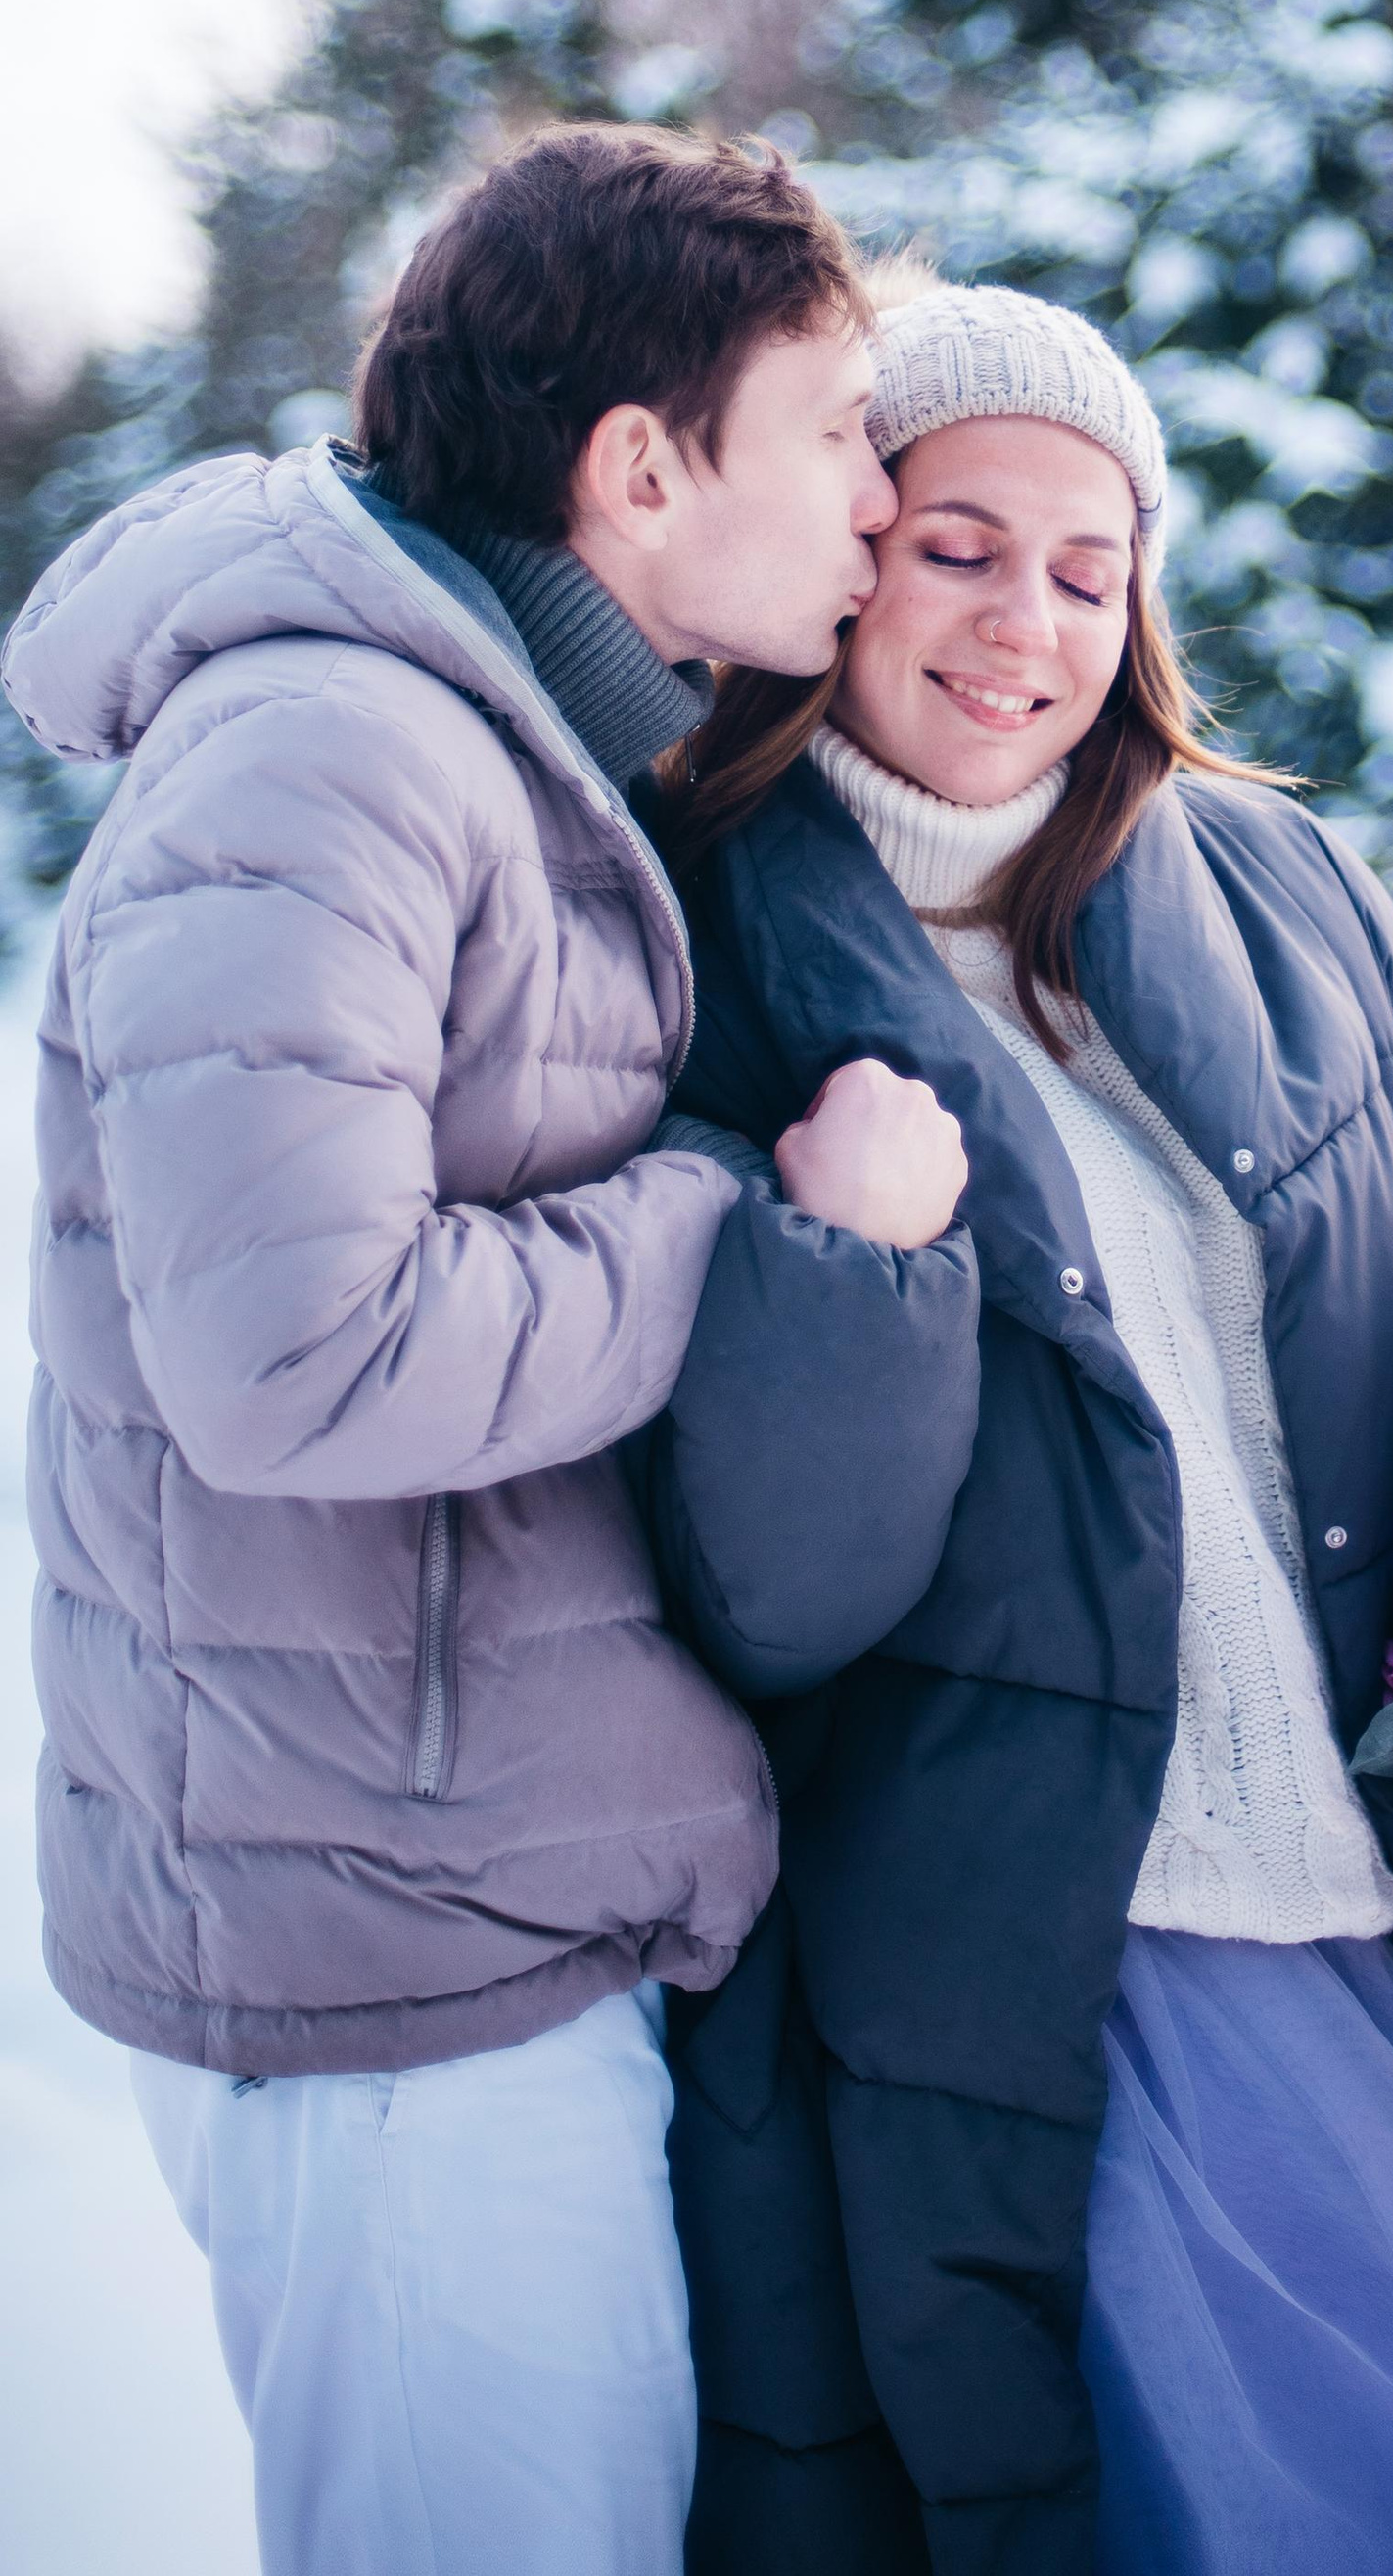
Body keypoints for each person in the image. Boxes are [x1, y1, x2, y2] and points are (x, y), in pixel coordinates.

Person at [637, 279, 1393, 2575]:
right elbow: (758, 1581)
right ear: (845, 552)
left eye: (1092, 570)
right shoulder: (699, 938)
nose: (1026, 625)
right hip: (1064, 1952)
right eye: (961, 544)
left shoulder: (1267, 882)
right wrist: (841, 1266)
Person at [0, 125, 973, 2576]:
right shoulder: (333, 751)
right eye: (838, 426)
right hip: (381, 1971)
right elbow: (296, 1356)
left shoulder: (501, 738)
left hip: (451, 1886)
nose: (880, 496)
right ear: (642, 465)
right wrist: (726, 1219)